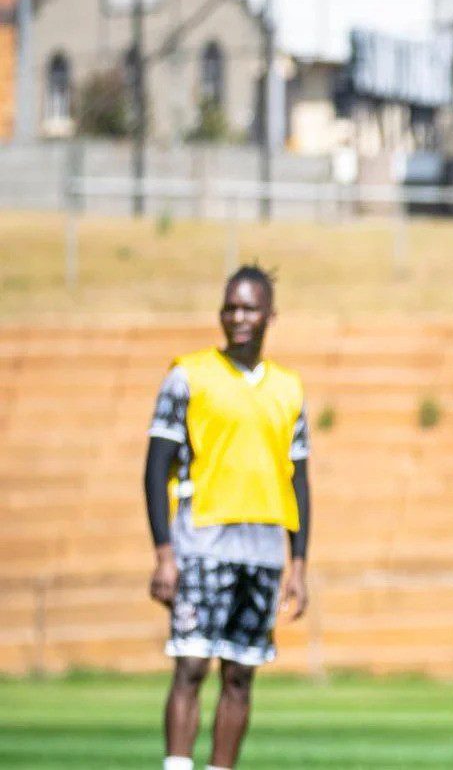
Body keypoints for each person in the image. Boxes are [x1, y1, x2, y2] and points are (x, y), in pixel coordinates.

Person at [144, 265, 311, 770]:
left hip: (262, 551)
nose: (238, 317)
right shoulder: (188, 376)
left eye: (249, 308)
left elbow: (299, 480)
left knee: (240, 674)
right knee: (191, 664)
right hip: (202, 541)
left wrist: (298, 563)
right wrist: (164, 553)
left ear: (270, 316)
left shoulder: (289, 388)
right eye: (230, 307)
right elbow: (155, 468)